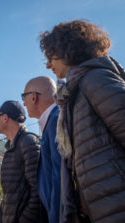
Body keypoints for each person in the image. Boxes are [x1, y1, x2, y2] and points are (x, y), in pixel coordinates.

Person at [39, 19, 125, 223]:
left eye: (51, 56)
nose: (48, 64)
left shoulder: (95, 80)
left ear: (68, 50)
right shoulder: (74, 93)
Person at [0, 100, 40, 223]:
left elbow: (38, 190)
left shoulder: (28, 142)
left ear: (5, 118)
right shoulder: (11, 147)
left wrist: (25, 220)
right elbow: (9, 195)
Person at [22, 76, 61, 223]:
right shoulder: (51, 121)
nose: (23, 103)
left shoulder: (55, 121)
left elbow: (59, 179)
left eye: (23, 96)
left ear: (33, 97)